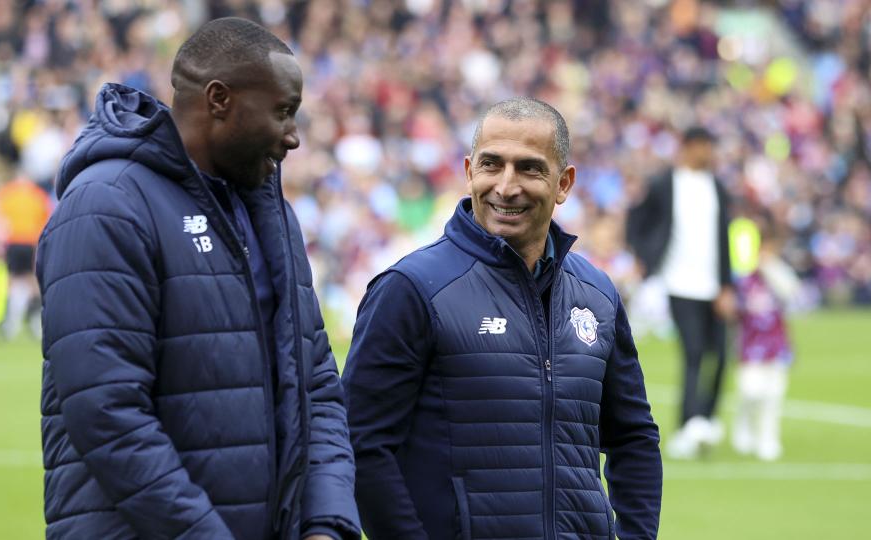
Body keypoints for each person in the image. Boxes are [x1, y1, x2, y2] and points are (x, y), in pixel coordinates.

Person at [38, 18, 359, 540]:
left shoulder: (271, 212)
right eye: (283, 111)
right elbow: (108, 412)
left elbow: (316, 383)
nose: (294, 136)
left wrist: (325, 523)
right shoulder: (107, 205)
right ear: (219, 100)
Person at [343, 98, 662, 540]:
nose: (506, 187)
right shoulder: (411, 288)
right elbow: (363, 445)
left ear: (564, 183)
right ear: (470, 170)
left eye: (529, 169)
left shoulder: (597, 293)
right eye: (492, 165)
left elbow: (633, 438)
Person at [626, 126, 736, 459]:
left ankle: (706, 417)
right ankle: (689, 424)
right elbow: (637, 221)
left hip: (712, 285)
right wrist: (646, 258)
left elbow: (723, 240)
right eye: (703, 146)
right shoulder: (664, 184)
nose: (708, 153)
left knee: (721, 354)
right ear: (687, 147)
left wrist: (727, 285)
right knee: (693, 353)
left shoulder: (716, 186)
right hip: (679, 283)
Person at [729, 215, 800, 461]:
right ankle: (744, 423)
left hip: (776, 343)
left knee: (774, 394)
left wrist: (771, 268)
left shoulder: (776, 275)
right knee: (751, 391)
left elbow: (792, 292)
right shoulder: (742, 278)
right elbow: (733, 309)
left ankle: (768, 438)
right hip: (749, 344)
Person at [0, 174, 51, 338]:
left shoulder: (6, 193)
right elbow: (46, 220)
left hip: (14, 241)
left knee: (14, 280)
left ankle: (12, 322)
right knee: (32, 281)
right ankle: (35, 322)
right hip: (30, 241)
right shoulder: (38, 195)